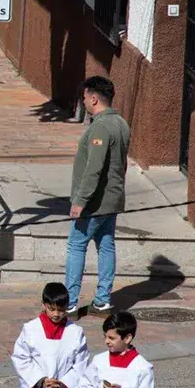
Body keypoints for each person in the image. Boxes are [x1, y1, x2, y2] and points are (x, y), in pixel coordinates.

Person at [64, 75, 130, 314]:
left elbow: (94, 168)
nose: (83, 102)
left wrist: (80, 201)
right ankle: (103, 299)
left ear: (93, 98)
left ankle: (69, 302)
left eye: (84, 97)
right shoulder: (121, 123)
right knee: (106, 244)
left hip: (96, 202)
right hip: (112, 198)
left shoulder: (100, 126)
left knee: (76, 245)